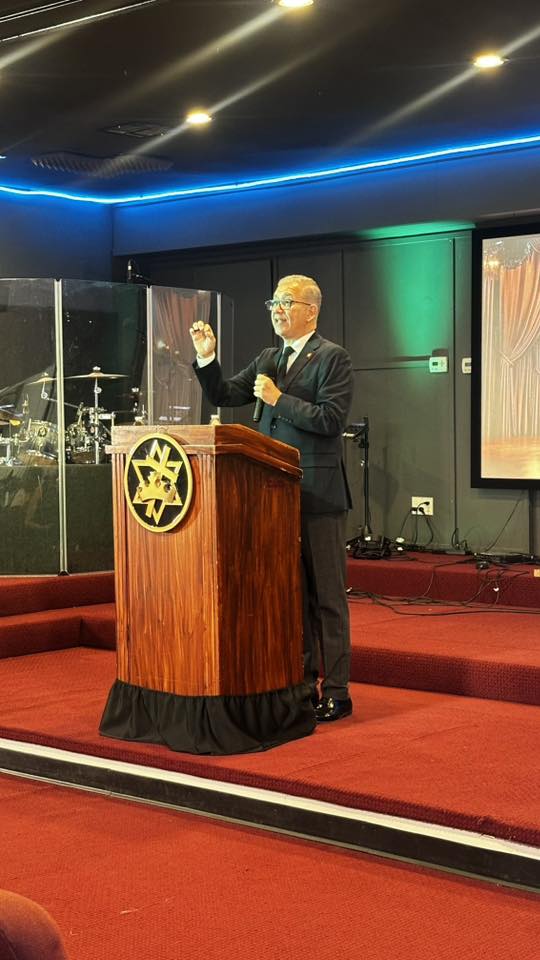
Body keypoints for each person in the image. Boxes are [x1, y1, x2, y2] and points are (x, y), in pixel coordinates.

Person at [190, 274, 354, 722]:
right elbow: (224, 393)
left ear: (311, 311)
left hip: (317, 495)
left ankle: (337, 691)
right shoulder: (268, 357)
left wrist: (279, 399)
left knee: (327, 599)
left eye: (287, 302)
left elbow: (331, 420)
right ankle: (300, 684)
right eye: (274, 303)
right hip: (272, 495)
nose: (278, 310)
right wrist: (207, 357)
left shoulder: (332, 357)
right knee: (292, 596)